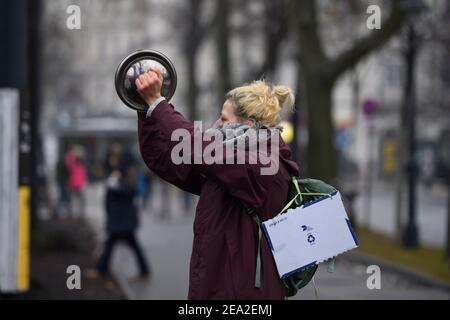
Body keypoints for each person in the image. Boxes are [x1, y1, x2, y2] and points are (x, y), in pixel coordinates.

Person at [135, 68, 298, 299]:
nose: (215, 123)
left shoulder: (264, 163)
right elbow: (163, 160)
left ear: (249, 124)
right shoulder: (228, 165)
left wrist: (158, 104)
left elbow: (197, 144)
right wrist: (145, 111)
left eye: (223, 118)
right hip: (217, 289)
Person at [93, 164, 150, 280]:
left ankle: (101, 270)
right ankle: (144, 271)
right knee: (120, 246)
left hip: (122, 224)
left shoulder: (125, 186)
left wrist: (113, 178)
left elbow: (111, 186)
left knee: (111, 245)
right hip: (123, 223)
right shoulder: (126, 185)